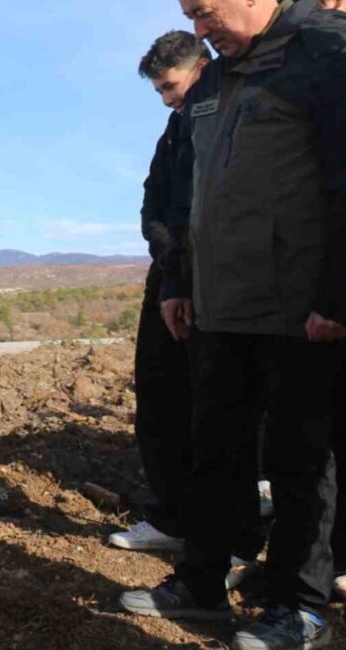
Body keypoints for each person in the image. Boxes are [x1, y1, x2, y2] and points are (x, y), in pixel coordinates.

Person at [120, 3, 346, 649]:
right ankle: (200, 584)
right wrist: (180, 282)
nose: (199, 29)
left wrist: (336, 293)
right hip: (221, 303)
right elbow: (197, 197)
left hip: (299, 308)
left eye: (205, 10)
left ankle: (298, 607)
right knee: (214, 449)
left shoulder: (326, 54)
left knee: (300, 463)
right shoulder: (216, 81)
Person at [109, 28, 267, 591]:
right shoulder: (177, 127)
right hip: (173, 274)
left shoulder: (237, 111)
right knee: (159, 398)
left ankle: (238, 540)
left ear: (200, 67)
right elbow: (157, 200)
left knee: (223, 414)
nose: (166, 98)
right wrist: (171, 264)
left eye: (170, 86)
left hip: (223, 279)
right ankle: (174, 516)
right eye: (158, 91)